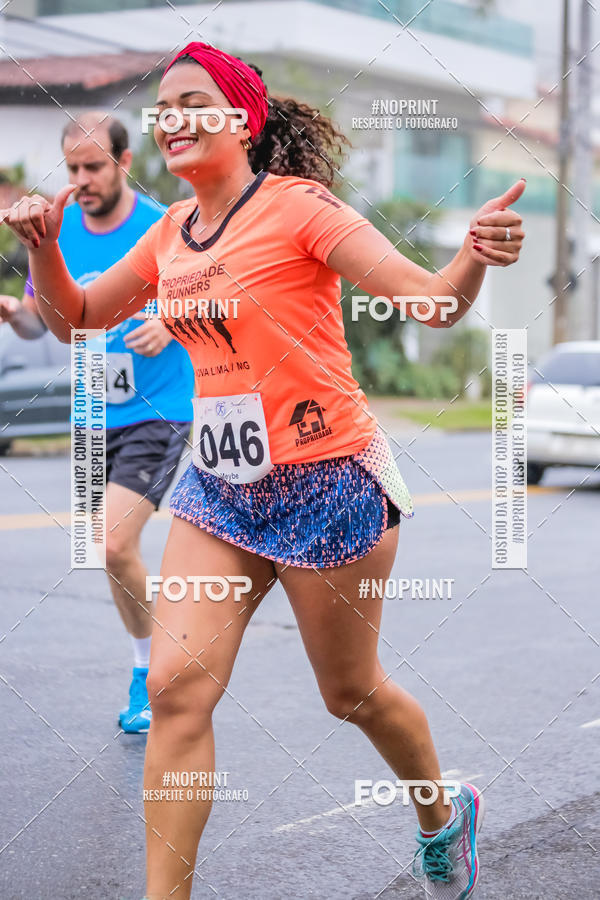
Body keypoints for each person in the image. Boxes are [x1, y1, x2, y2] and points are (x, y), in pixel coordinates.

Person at [0, 43, 525, 900]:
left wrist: (472, 254)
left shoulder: (300, 208)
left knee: (351, 693)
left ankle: (442, 808)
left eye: (192, 101)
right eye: (163, 108)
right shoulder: (171, 233)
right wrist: (46, 252)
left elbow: (430, 300)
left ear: (241, 120)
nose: (172, 119)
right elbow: (78, 320)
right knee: (173, 691)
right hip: (220, 492)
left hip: (330, 484)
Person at [0, 112, 195, 734]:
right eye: (72, 167)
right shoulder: (58, 230)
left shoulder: (164, 226)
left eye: (94, 166)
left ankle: (152, 675)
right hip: (93, 411)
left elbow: (215, 293)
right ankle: (147, 663)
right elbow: (42, 320)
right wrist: (15, 314)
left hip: (158, 408)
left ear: (125, 163)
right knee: (111, 553)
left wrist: (173, 320)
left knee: (114, 541)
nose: (81, 179)